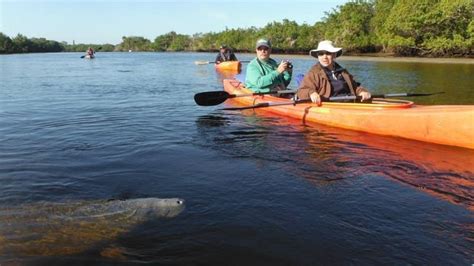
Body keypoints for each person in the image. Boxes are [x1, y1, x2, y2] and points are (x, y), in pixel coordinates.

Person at [296, 40, 371, 105]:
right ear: (318, 56)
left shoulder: (343, 72)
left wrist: (362, 92)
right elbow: (302, 90)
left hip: (350, 103)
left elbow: (355, 87)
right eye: (321, 54)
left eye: (328, 53)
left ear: (334, 55)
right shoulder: (313, 72)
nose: (324, 57)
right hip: (330, 106)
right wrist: (312, 93)